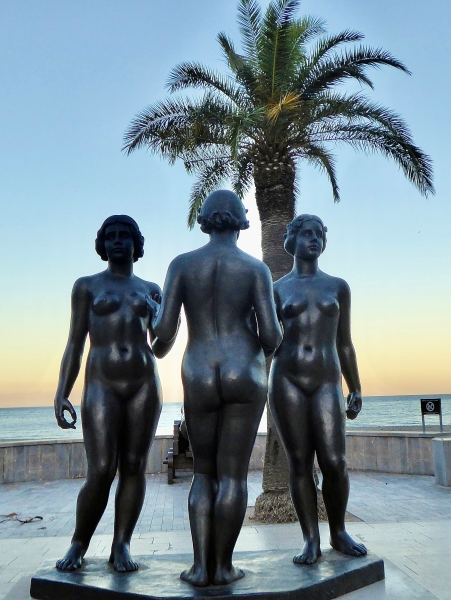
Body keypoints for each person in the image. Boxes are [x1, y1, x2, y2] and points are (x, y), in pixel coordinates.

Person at [148, 190, 282, 586]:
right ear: (242, 220)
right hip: (246, 370)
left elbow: (162, 337)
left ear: (205, 220)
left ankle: (199, 567)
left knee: (203, 475)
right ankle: (223, 567)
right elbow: (272, 338)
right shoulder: (256, 269)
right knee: (234, 477)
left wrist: (153, 310)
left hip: (200, 371)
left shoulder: (182, 266)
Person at [53, 215, 174, 573]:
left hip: (143, 384)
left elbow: (162, 347)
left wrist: (161, 315)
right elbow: (75, 344)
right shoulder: (86, 286)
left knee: (134, 466)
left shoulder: (151, 289)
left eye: (124, 236)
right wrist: (62, 392)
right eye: (111, 236)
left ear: (137, 244)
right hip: (101, 384)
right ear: (102, 244)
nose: (117, 241)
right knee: (102, 469)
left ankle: (121, 545)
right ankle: (79, 543)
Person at [269, 214, 367, 565]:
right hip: (287, 380)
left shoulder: (338, 287)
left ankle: (337, 532)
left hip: (327, 380)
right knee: (299, 463)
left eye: (319, 235)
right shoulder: (276, 289)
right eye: (306, 233)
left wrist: (355, 386)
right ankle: (310, 538)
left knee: (335, 462)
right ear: (292, 241)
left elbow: (345, 344)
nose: (313, 239)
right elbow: (264, 339)